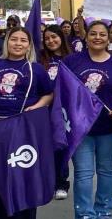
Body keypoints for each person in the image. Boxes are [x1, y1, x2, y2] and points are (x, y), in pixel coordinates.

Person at [0, 26, 54, 219]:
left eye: (23, 40)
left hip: (25, 131)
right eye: (14, 39)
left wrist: (38, 106)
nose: (18, 43)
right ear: (6, 42)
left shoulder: (36, 69)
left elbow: (48, 94)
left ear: (29, 45)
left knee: (23, 178)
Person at [63, 21, 112, 219]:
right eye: (93, 34)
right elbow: (62, 92)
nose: (98, 37)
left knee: (106, 171)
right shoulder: (71, 61)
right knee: (83, 174)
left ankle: (104, 213)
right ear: (86, 37)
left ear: (109, 39)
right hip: (81, 129)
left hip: (110, 127)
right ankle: (85, 215)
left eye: (102, 34)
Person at [39, 24, 72, 200]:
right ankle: (47, 183)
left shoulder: (72, 58)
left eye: (54, 37)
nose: (51, 41)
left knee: (60, 146)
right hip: (44, 108)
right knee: (45, 147)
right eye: (47, 38)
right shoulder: (40, 59)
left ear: (61, 37)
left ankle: (61, 183)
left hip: (64, 110)